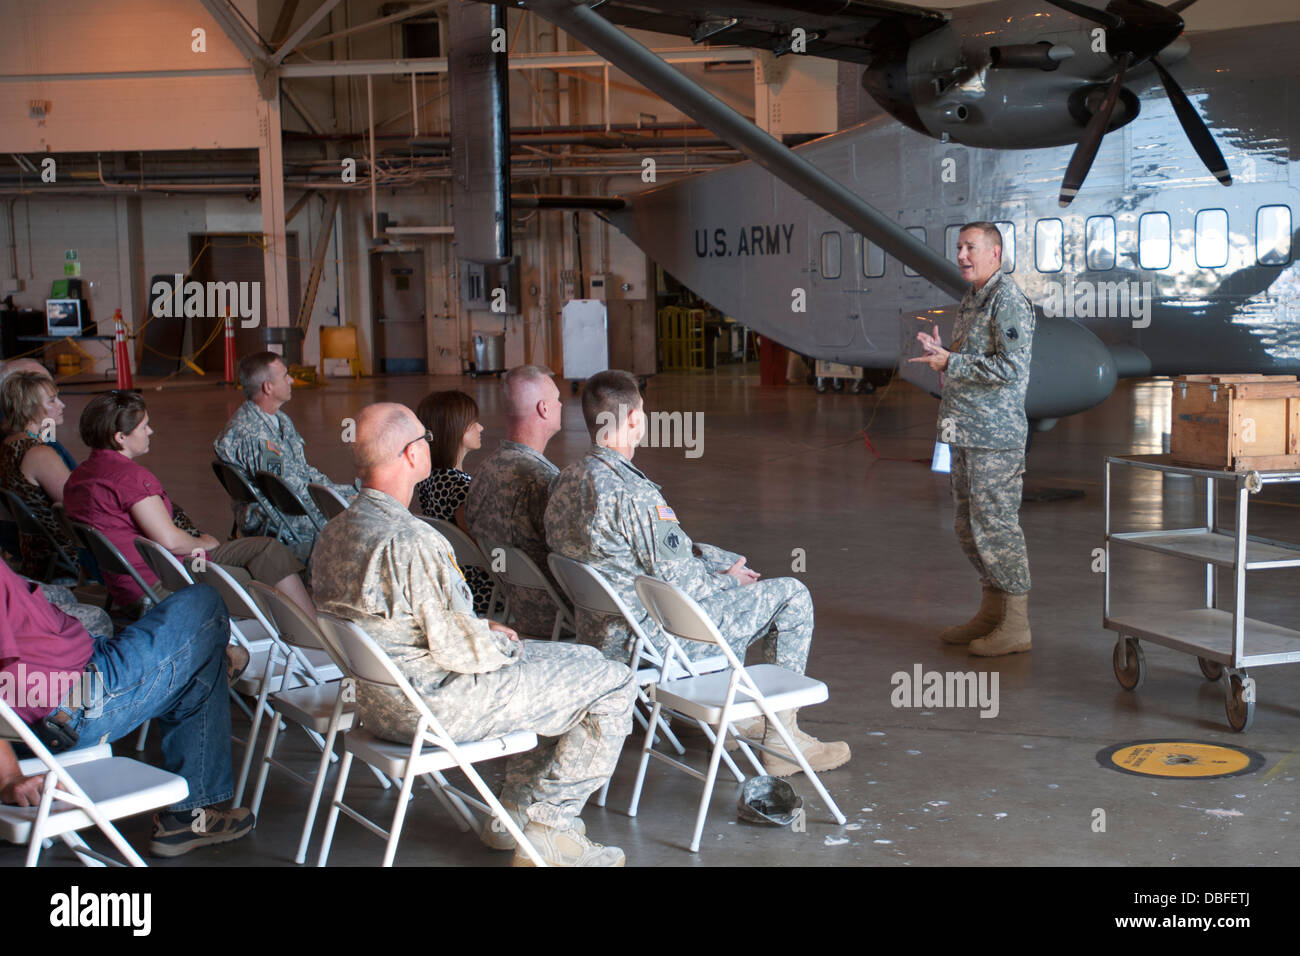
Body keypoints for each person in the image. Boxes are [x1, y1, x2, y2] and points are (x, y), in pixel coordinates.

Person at [312, 402, 636, 867]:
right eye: (424, 439)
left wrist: (480, 628)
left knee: (570, 670)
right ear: (410, 455)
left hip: (378, 705)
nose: (429, 445)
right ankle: (551, 829)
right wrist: (504, 641)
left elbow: (395, 623)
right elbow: (461, 651)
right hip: (438, 703)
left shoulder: (336, 531)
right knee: (612, 681)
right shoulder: (412, 540)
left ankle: (514, 818)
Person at [545, 370, 850, 777]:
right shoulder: (634, 492)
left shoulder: (568, 480)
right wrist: (731, 579)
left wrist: (714, 559)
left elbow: (645, 554)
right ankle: (782, 740)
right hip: (657, 636)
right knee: (791, 596)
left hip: (605, 632)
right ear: (634, 417)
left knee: (730, 583)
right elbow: (685, 588)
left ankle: (741, 720)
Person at [0, 561, 254, 856]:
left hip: (74, 676)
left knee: (204, 661)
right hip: (77, 698)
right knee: (204, 602)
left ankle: (206, 665)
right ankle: (190, 817)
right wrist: (7, 777)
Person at [64, 391, 315, 620]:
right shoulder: (129, 478)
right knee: (268, 557)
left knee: (263, 550)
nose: (150, 431)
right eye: (144, 427)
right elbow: (170, 541)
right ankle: (311, 631)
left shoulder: (80, 475)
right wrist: (205, 543)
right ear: (120, 437)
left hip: (126, 586)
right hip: (164, 582)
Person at [909, 220, 1035, 656]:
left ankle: (1016, 624)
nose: (961, 255)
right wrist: (944, 353)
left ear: (995, 253)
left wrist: (952, 364)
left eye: (971, 248)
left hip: (994, 439)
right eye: (959, 247)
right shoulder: (973, 299)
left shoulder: (1008, 301)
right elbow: (973, 361)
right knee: (968, 527)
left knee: (996, 527)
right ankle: (992, 610)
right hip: (964, 432)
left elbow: (1012, 370)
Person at [214, 351, 356, 559]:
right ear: (268, 387)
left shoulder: (278, 419)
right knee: (359, 520)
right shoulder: (252, 435)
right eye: (284, 376)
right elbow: (288, 493)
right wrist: (342, 501)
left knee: (361, 503)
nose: (291, 379)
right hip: (276, 516)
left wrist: (342, 491)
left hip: (286, 506)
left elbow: (302, 471)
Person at [465, 366, 566, 638]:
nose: (560, 405)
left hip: (515, 608)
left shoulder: (484, 472)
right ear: (544, 409)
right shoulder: (543, 480)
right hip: (558, 614)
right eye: (557, 400)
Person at [413, 390, 493, 616]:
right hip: (479, 590)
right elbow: (479, 549)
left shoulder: (429, 478)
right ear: (456, 429)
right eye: (473, 423)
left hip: (452, 581)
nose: (481, 428)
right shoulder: (460, 488)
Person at [0, 371, 82, 579]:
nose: (61, 405)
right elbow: (79, 508)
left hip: (34, 550)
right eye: (52, 400)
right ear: (29, 409)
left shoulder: (9, 443)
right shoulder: (39, 453)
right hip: (61, 553)